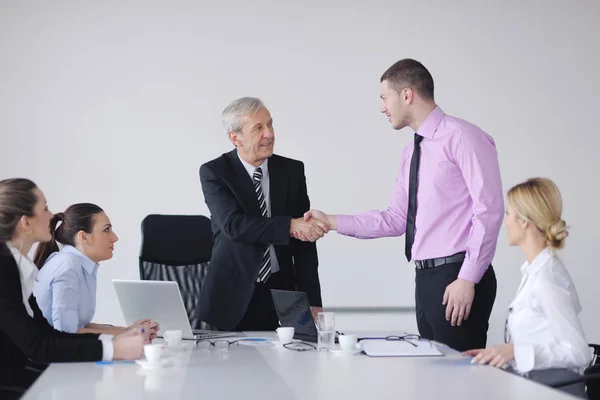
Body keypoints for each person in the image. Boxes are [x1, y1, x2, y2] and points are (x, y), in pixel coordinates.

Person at [301, 59, 504, 351]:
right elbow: (396, 219)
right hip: (426, 280)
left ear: (406, 95)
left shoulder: (464, 137)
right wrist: (329, 221)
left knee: (460, 384)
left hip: (458, 276)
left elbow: (490, 210)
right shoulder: (412, 150)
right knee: (434, 381)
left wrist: (467, 278)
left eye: (385, 98)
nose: (382, 107)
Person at [0, 178, 145, 391]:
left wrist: (115, 340)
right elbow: (38, 347)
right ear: (26, 223)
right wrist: (113, 349)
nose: (51, 216)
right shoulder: (5, 268)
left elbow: (46, 334)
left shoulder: (18, 266)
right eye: (45, 208)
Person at [197, 97, 328, 331]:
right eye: (258, 128)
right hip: (231, 292)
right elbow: (233, 226)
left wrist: (314, 300)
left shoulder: (292, 171)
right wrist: (289, 226)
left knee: (297, 363)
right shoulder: (214, 172)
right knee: (226, 366)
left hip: (283, 290)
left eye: (270, 124)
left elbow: (305, 243)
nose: (269, 133)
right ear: (235, 138)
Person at [465, 178, 593, 397]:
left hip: (554, 392)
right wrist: (498, 354)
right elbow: (540, 336)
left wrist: (515, 352)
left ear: (524, 221)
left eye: (509, 214)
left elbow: (580, 353)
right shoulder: (534, 272)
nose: (506, 222)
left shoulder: (548, 279)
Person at [32, 203, 159, 337]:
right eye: (106, 230)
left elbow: (79, 326)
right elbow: (67, 334)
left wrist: (129, 330)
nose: (115, 238)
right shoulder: (68, 265)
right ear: (83, 237)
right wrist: (128, 335)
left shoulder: (77, 264)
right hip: (51, 355)